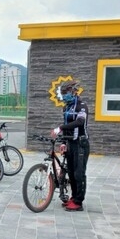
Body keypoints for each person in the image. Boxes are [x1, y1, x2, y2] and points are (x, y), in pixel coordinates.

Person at [52, 80, 90, 212]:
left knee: (79, 173)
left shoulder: (82, 106)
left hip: (81, 143)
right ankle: (73, 197)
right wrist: (63, 142)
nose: (64, 95)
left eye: (66, 92)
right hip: (70, 143)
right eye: (62, 93)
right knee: (72, 173)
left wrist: (60, 128)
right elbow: (66, 126)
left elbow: (80, 122)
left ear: (74, 91)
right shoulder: (66, 108)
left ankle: (79, 202)